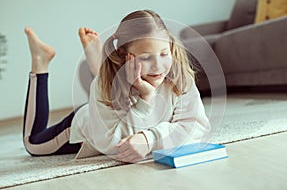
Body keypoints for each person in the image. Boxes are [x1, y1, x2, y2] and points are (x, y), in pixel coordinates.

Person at [23, 10, 210, 163]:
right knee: (32, 143)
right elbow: (118, 147)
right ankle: (41, 61)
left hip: (108, 108)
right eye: (145, 57)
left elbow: (197, 127)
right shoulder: (104, 87)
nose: (158, 66)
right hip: (89, 123)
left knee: (107, 85)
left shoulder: (179, 76)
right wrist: (145, 99)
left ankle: (97, 64)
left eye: (164, 53)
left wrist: (149, 139)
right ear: (123, 55)